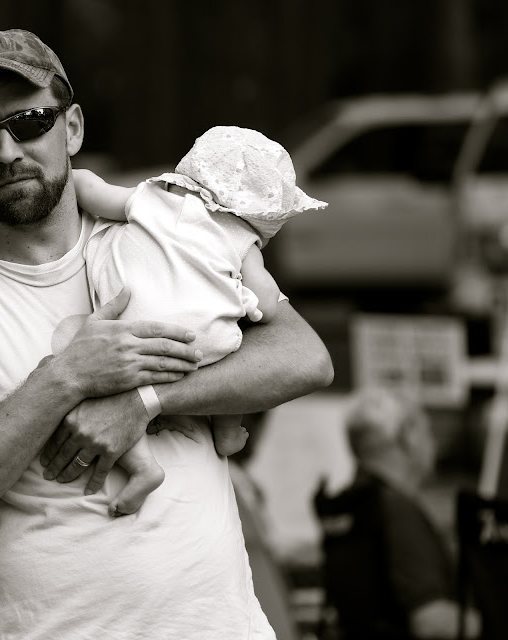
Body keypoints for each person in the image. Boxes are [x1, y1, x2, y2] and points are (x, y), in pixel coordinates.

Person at [0, 27, 333, 640]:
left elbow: (305, 357)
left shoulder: (162, 229)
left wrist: (144, 401)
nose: (7, 150)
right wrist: (63, 379)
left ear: (72, 128)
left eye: (30, 121)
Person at [71, 126, 327, 515]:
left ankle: (143, 468)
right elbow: (268, 304)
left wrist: (73, 180)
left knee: (111, 392)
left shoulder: (152, 199)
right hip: (200, 342)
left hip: (135, 328)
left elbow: (94, 192)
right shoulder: (241, 240)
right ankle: (228, 428)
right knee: (232, 360)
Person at [315, 388, 480, 640]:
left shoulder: (351, 503)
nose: (433, 444)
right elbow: (430, 620)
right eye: (428, 432)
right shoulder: (396, 509)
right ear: (409, 436)